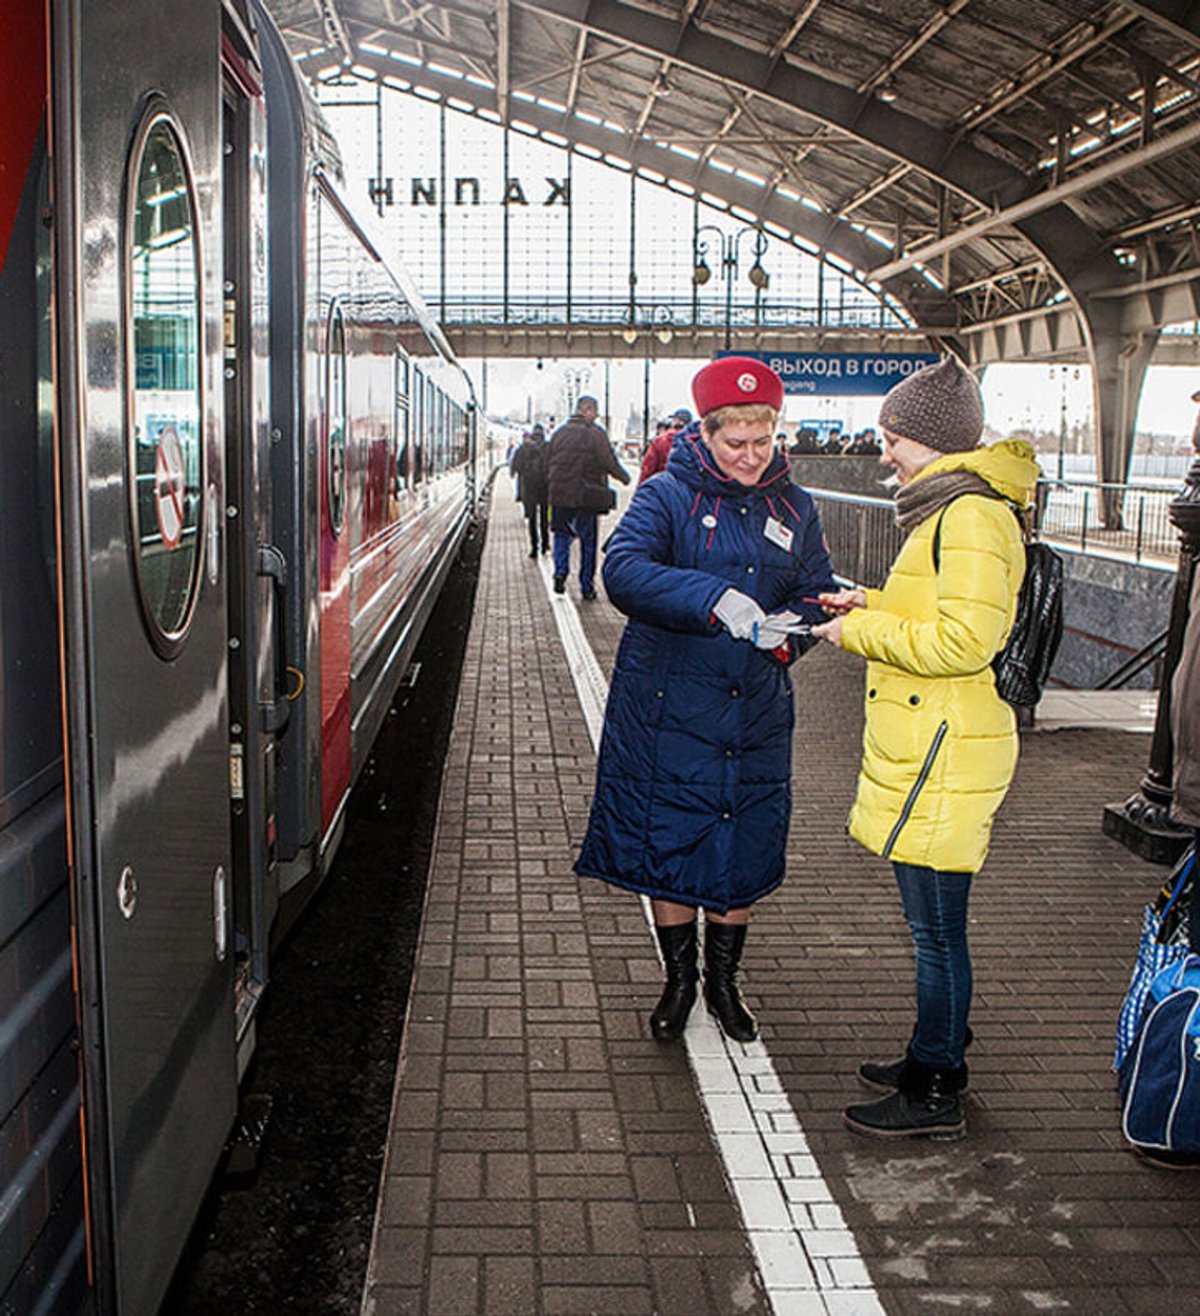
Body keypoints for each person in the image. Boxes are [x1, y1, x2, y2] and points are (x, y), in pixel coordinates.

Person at [810, 356, 1039, 1139]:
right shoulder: (951, 510)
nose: (884, 455)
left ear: (932, 442)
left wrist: (858, 632)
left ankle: (936, 1083)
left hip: (946, 747)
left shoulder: (969, 516)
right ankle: (928, 1050)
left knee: (937, 934)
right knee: (935, 929)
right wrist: (870, 600)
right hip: (937, 738)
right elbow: (939, 611)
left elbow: (967, 640)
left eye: (894, 438)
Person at [575, 357, 836, 1043]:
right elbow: (624, 571)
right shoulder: (665, 496)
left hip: (752, 706)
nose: (752, 457)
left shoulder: (795, 506)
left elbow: (818, 591)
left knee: (739, 842)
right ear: (706, 433)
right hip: (669, 704)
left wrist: (788, 638)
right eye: (736, 443)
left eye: (764, 441)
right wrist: (711, 597)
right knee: (672, 837)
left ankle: (724, 984)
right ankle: (680, 980)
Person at [547, 396, 630, 600]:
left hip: (560, 496)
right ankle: (586, 586)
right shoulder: (596, 434)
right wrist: (624, 477)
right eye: (595, 411)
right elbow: (608, 461)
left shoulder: (559, 433)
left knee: (561, 535)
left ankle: (560, 572)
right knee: (588, 543)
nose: (596, 416)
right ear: (588, 410)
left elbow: (547, 461)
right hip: (586, 496)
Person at [511, 427, 550, 557]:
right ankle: (545, 544)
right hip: (545, 488)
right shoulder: (548, 447)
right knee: (544, 518)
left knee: (532, 519)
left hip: (529, 488)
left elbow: (515, 467)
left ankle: (534, 548)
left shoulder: (523, 448)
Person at [638, 408, 693, 484]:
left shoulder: (659, 441)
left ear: (674, 421)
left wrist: (640, 490)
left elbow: (647, 470)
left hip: (661, 488)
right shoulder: (696, 443)